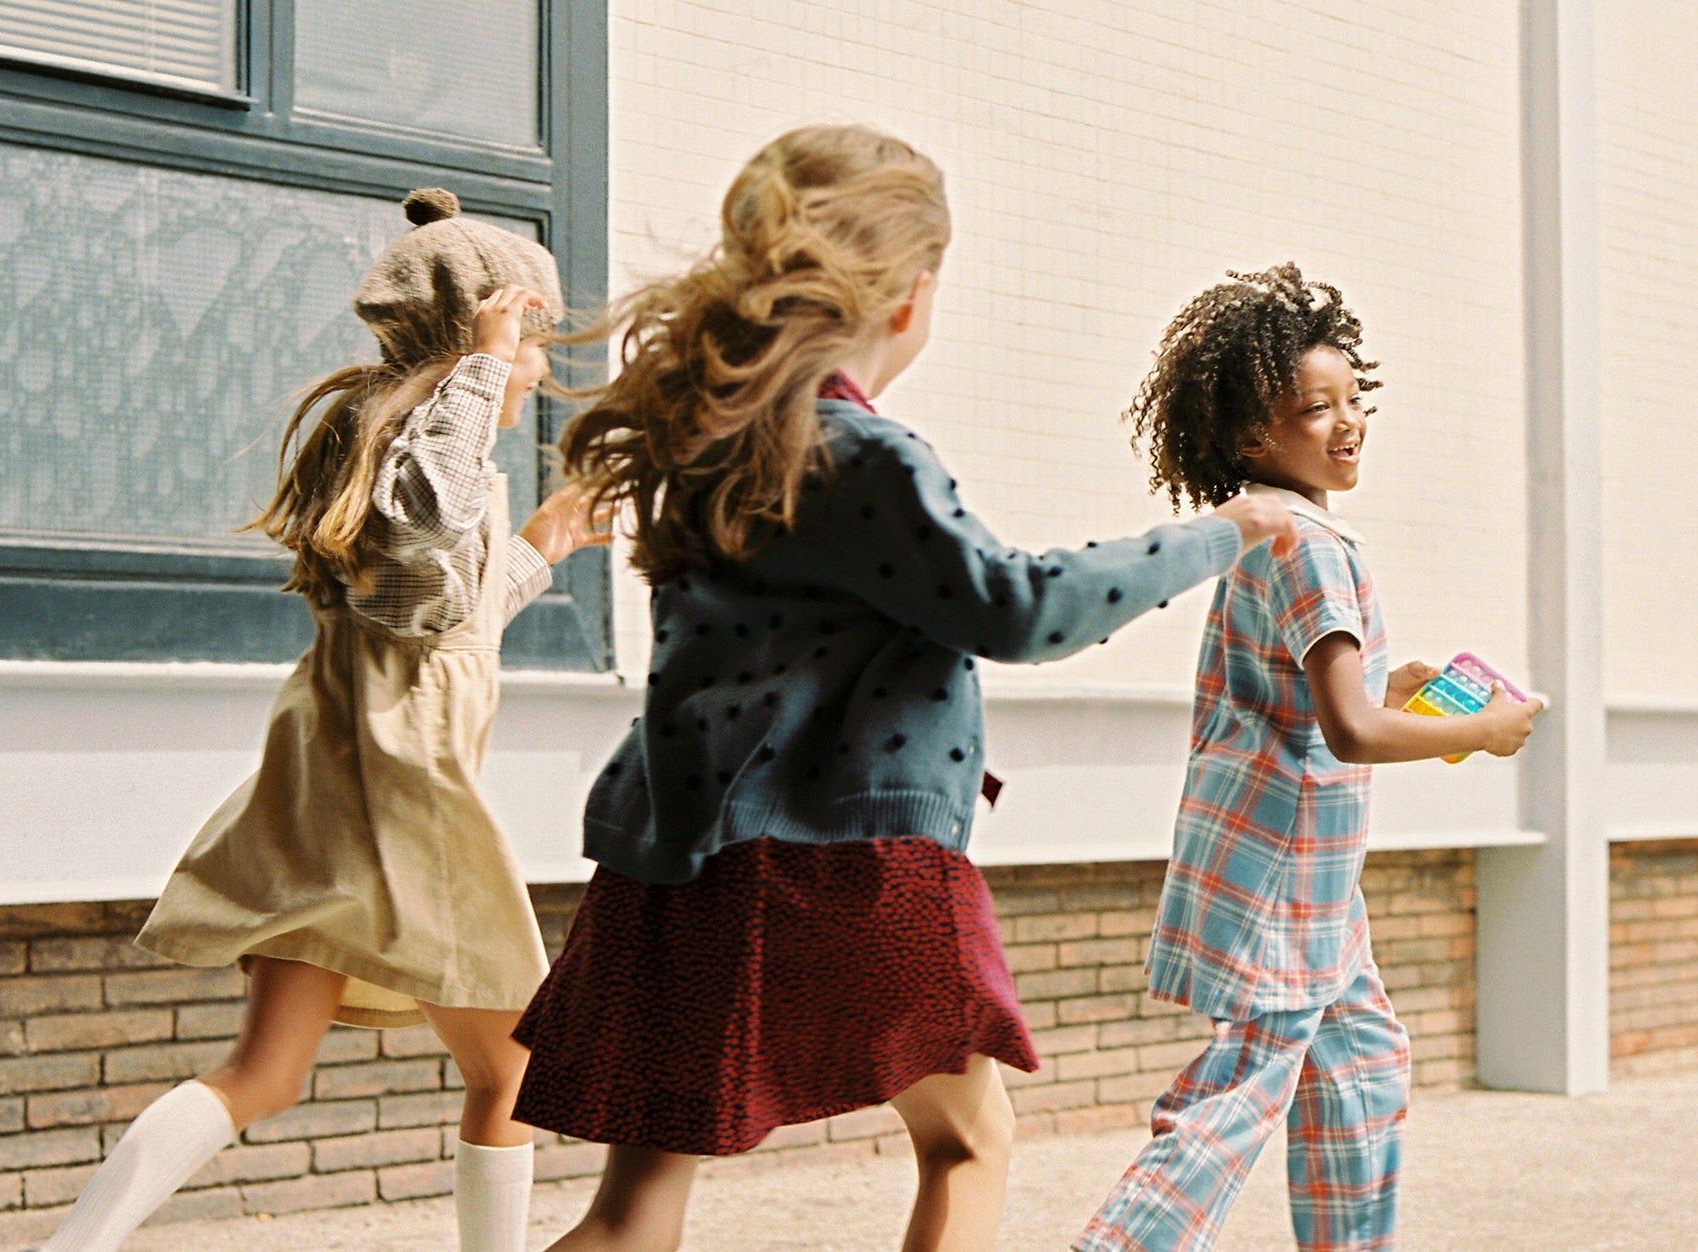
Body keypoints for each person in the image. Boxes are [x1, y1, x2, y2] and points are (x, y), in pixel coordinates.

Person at [507, 124, 1297, 1252]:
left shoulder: (704, 441)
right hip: (853, 859)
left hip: (677, 855)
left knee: (632, 1212)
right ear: (912, 295)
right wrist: (1215, 535)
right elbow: (1018, 606)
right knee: (968, 1142)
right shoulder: (859, 454)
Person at [39, 189, 608, 1252]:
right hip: (401, 798)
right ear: (489, 326)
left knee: (263, 1073)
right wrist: (483, 367)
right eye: (529, 339)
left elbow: (432, 616)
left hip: (331, 796)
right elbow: (416, 573)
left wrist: (536, 547)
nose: (534, 369)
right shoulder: (420, 450)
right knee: (511, 1068)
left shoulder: (396, 445)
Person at [1079, 264, 1544, 1252]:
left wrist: (1401, 676)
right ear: (1251, 435)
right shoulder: (1307, 543)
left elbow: (1315, 694)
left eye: (1353, 400)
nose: (1347, 423)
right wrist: (1480, 730)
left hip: (1303, 877)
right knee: (1237, 1094)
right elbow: (1351, 730)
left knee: (1363, 1066)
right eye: (1314, 409)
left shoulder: (1273, 528)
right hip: (1284, 875)